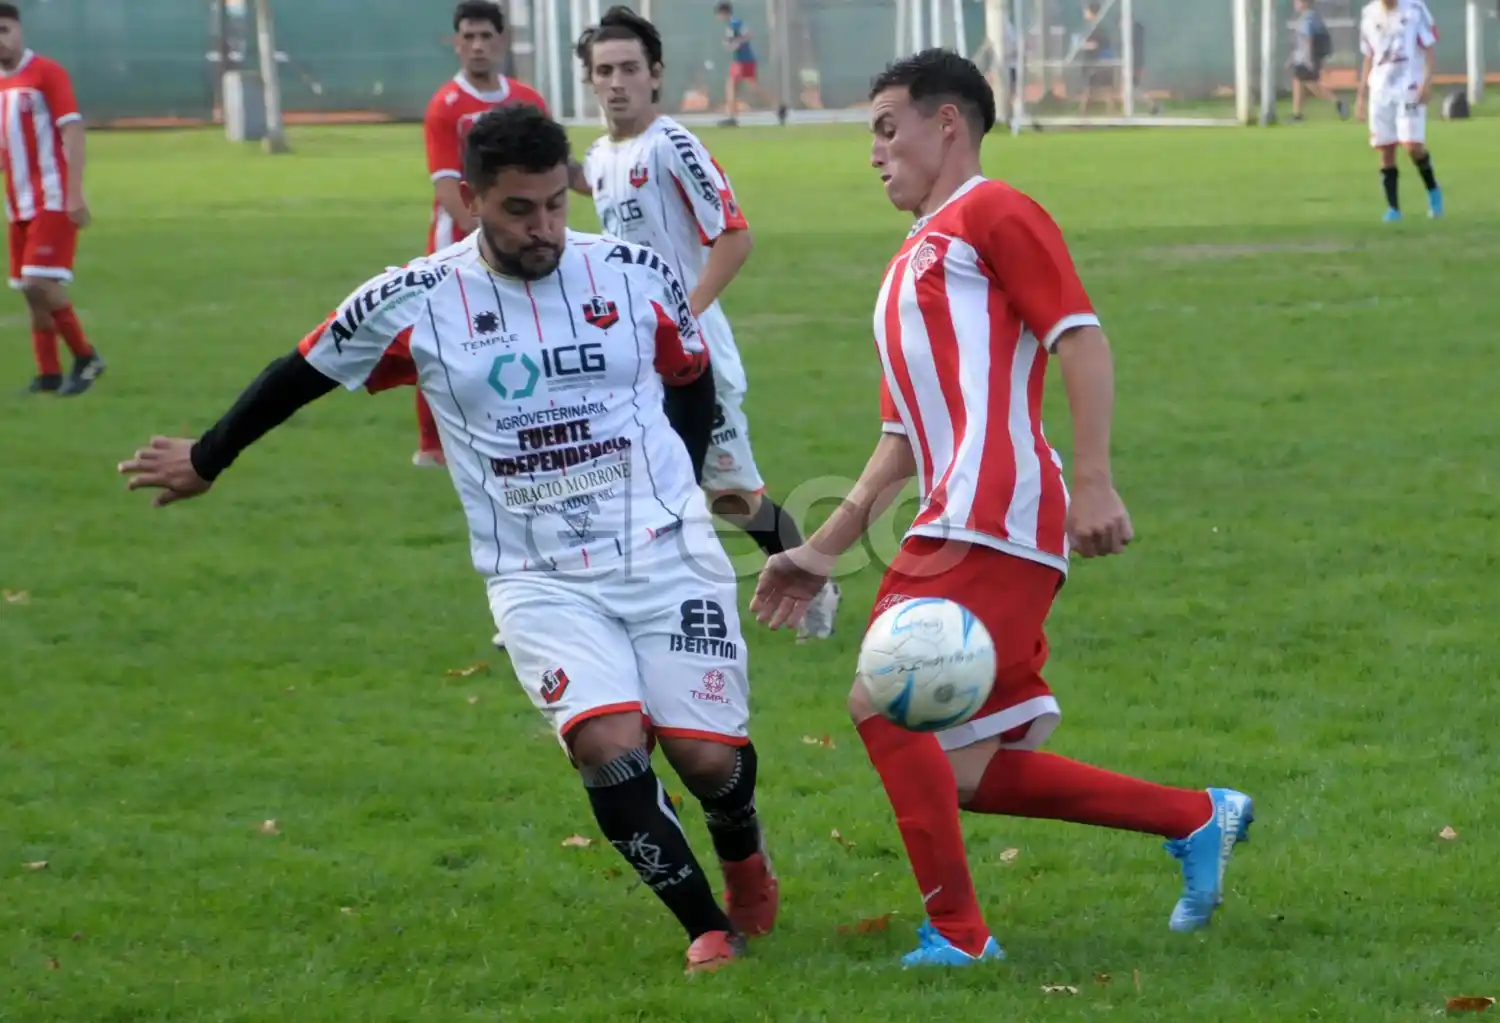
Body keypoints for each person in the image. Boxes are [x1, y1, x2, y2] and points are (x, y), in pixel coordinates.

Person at [118, 104, 776, 974]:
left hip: (665, 550)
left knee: (706, 759)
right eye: (518, 210)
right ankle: (707, 926)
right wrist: (207, 458)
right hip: (537, 574)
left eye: (553, 204)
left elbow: (691, 382)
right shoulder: (416, 297)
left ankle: (744, 858)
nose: (544, 228)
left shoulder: (630, 272)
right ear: (470, 200)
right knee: (605, 745)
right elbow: (302, 371)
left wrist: (683, 486)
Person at [750, 49, 1254, 967]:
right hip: (956, 509)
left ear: (949, 124)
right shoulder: (912, 255)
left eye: (886, 127)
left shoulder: (994, 210)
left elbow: (1081, 337)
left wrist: (1096, 479)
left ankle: (959, 934)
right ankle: (1197, 817)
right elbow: (902, 438)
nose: (874, 151)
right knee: (963, 768)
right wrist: (819, 551)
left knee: (882, 701)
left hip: (993, 507)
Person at [574, 6, 841, 642]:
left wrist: (683, 316)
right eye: (604, 70)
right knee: (624, 472)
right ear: (590, 80)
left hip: (696, 356)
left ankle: (812, 579)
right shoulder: (599, 155)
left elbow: (735, 236)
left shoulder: (673, 144)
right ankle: (590, 605)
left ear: (655, 74)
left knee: (728, 495)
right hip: (633, 354)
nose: (617, 82)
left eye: (629, 69)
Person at [415, 1, 551, 469]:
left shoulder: (529, 100)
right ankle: (432, 445)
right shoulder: (445, 108)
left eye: (485, 37)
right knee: (443, 336)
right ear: (456, 42)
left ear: (501, 41)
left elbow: (552, 173)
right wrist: (489, 234)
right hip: (459, 240)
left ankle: (521, 422)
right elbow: (448, 187)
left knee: (529, 324)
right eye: (468, 37)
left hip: (516, 234)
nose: (477, 46)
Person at [0, 3, 103, 397]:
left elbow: (72, 132)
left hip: (53, 197)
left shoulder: (45, 72)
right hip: (18, 202)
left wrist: (74, 194)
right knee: (28, 290)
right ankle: (48, 374)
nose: (1, 39)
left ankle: (87, 357)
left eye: (5, 29)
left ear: (19, 31)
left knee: (37, 280)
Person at [1355, 0, 1442, 221]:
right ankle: (1393, 209)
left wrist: (1427, 82)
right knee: (1386, 148)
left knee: (1412, 146)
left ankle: (1434, 192)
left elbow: (1429, 46)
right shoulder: (1368, 13)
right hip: (1381, 92)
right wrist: (1361, 96)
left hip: (1409, 88)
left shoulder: (1414, 8)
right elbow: (1368, 56)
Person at [712, 2, 783, 125]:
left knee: (740, 85)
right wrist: (730, 44)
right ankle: (778, 107)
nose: (718, 17)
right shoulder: (731, 25)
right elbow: (731, 41)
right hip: (740, 60)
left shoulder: (736, 23)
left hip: (744, 60)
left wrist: (736, 43)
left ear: (724, 13)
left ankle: (733, 117)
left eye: (719, 14)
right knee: (737, 86)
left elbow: (749, 34)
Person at [1289, 0, 1348, 121]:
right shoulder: (1310, 16)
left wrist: (1308, 59)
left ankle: (1338, 103)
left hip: (1307, 58)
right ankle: (1297, 114)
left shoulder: (1308, 18)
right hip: (1303, 57)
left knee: (1312, 85)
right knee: (1298, 82)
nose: (1294, 4)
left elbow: (1308, 40)